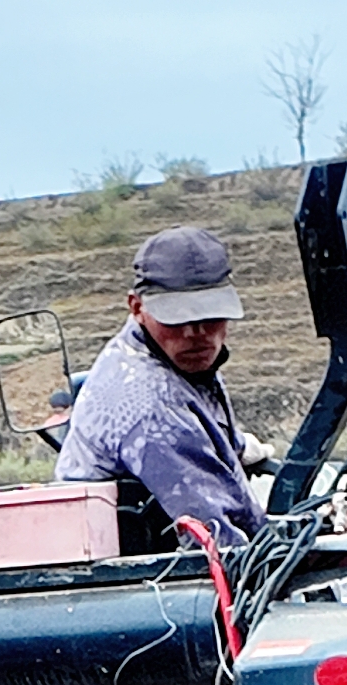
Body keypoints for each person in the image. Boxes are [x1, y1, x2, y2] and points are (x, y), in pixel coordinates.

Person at [54, 226, 258, 545]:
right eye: (177, 318)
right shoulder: (149, 405)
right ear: (137, 308)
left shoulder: (177, 360)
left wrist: (237, 446)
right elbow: (216, 538)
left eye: (211, 315)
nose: (197, 331)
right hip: (142, 572)